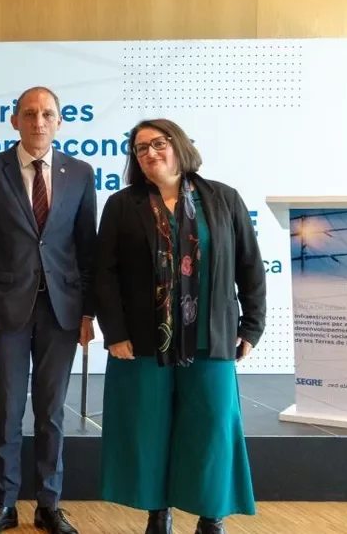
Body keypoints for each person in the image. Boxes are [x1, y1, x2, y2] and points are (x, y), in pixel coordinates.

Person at [94, 119, 264, 534]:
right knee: (148, 430)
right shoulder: (122, 205)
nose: (150, 154)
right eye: (140, 149)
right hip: (142, 341)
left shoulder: (224, 200)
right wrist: (113, 332)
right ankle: (158, 512)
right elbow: (103, 274)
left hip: (211, 337)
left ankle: (211, 516)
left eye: (158, 144)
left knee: (212, 429)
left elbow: (250, 266)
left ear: (179, 146)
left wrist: (252, 326)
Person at [0, 87, 96, 534]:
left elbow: (86, 248)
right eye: (30, 113)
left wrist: (88, 314)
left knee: (52, 412)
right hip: (4, 311)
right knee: (7, 410)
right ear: (14, 120)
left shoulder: (80, 173)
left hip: (62, 310)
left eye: (47, 114)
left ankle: (49, 504)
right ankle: (4, 504)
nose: (38, 121)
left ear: (59, 121)